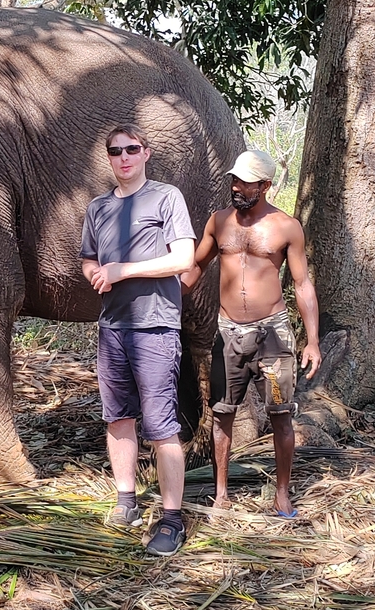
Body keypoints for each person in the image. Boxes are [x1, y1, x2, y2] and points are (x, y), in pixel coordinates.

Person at [181, 149, 321, 517]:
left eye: (246, 182)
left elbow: (303, 284)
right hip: (227, 333)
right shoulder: (219, 221)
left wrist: (314, 341)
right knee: (222, 413)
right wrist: (164, 300)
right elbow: (195, 267)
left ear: (265, 185)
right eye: (235, 180)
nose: (237, 187)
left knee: (280, 412)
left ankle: (282, 493)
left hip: (272, 336)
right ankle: (221, 493)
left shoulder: (286, 227)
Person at [80, 125, 196, 556]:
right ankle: (126, 500)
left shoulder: (166, 197)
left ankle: (171, 519)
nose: (124, 157)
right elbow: (89, 258)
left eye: (132, 149)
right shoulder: (98, 207)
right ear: (108, 158)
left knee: (162, 427)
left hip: (155, 327)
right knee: (118, 418)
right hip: (113, 328)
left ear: (146, 153)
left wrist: (122, 270)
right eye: (116, 151)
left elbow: (183, 259)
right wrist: (94, 272)